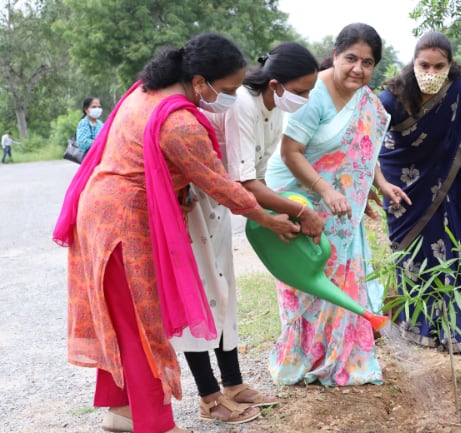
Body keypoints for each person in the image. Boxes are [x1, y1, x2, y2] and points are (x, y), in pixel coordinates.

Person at [52, 33, 300, 433]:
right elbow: (222, 186)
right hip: (123, 223)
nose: (232, 98)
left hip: (102, 213)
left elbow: (141, 159)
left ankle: (123, 413)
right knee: (141, 326)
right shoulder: (180, 122)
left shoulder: (142, 92)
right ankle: (156, 424)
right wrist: (270, 218)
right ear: (200, 82)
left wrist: (174, 190)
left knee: (123, 320)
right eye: (228, 90)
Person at [170, 41, 324, 423]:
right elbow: (246, 181)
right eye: (301, 91)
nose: (305, 98)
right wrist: (299, 210)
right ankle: (208, 397)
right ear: (276, 85)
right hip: (196, 205)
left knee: (223, 295)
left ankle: (233, 383)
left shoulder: (272, 112)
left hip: (221, 206)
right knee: (200, 297)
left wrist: (287, 209)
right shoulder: (242, 106)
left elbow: (254, 179)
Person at [264, 23, 411, 386]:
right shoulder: (311, 94)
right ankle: (305, 356)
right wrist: (325, 192)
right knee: (306, 279)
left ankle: (344, 357)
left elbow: (363, 148)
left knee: (344, 282)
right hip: (296, 197)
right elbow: (290, 151)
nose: (358, 69)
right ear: (335, 55)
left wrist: (378, 184)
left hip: (341, 204)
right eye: (351, 59)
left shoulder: (365, 99)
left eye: (368, 62)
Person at [378, 31, 461, 353]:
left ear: (451, 66)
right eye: (425, 65)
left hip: (451, 190)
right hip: (404, 192)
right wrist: (380, 183)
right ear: (413, 63)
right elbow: (369, 146)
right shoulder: (390, 98)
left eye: (440, 67)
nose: (432, 73)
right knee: (412, 255)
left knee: (454, 251)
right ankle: (418, 326)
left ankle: (458, 328)